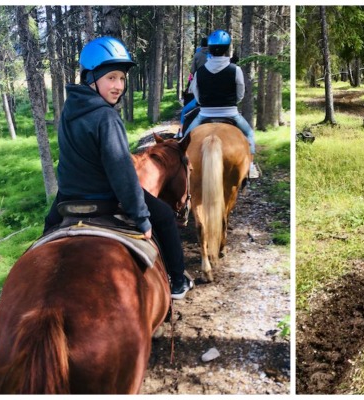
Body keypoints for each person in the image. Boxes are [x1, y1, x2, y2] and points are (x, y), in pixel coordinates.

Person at [43, 36, 193, 300]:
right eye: (111, 78)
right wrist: (142, 217)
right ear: (91, 78)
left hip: (68, 196)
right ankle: (178, 282)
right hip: (104, 196)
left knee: (47, 228)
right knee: (166, 217)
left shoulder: (69, 108)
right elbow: (122, 173)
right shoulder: (107, 117)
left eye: (122, 79)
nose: (118, 86)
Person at [183, 29, 260, 179]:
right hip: (231, 113)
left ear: (210, 48)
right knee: (249, 133)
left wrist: (205, 104)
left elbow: (197, 95)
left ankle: (182, 164)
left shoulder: (200, 72)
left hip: (204, 114)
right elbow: (240, 93)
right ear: (227, 49)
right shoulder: (235, 69)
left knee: (184, 137)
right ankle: (251, 167)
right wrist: (231, 103)